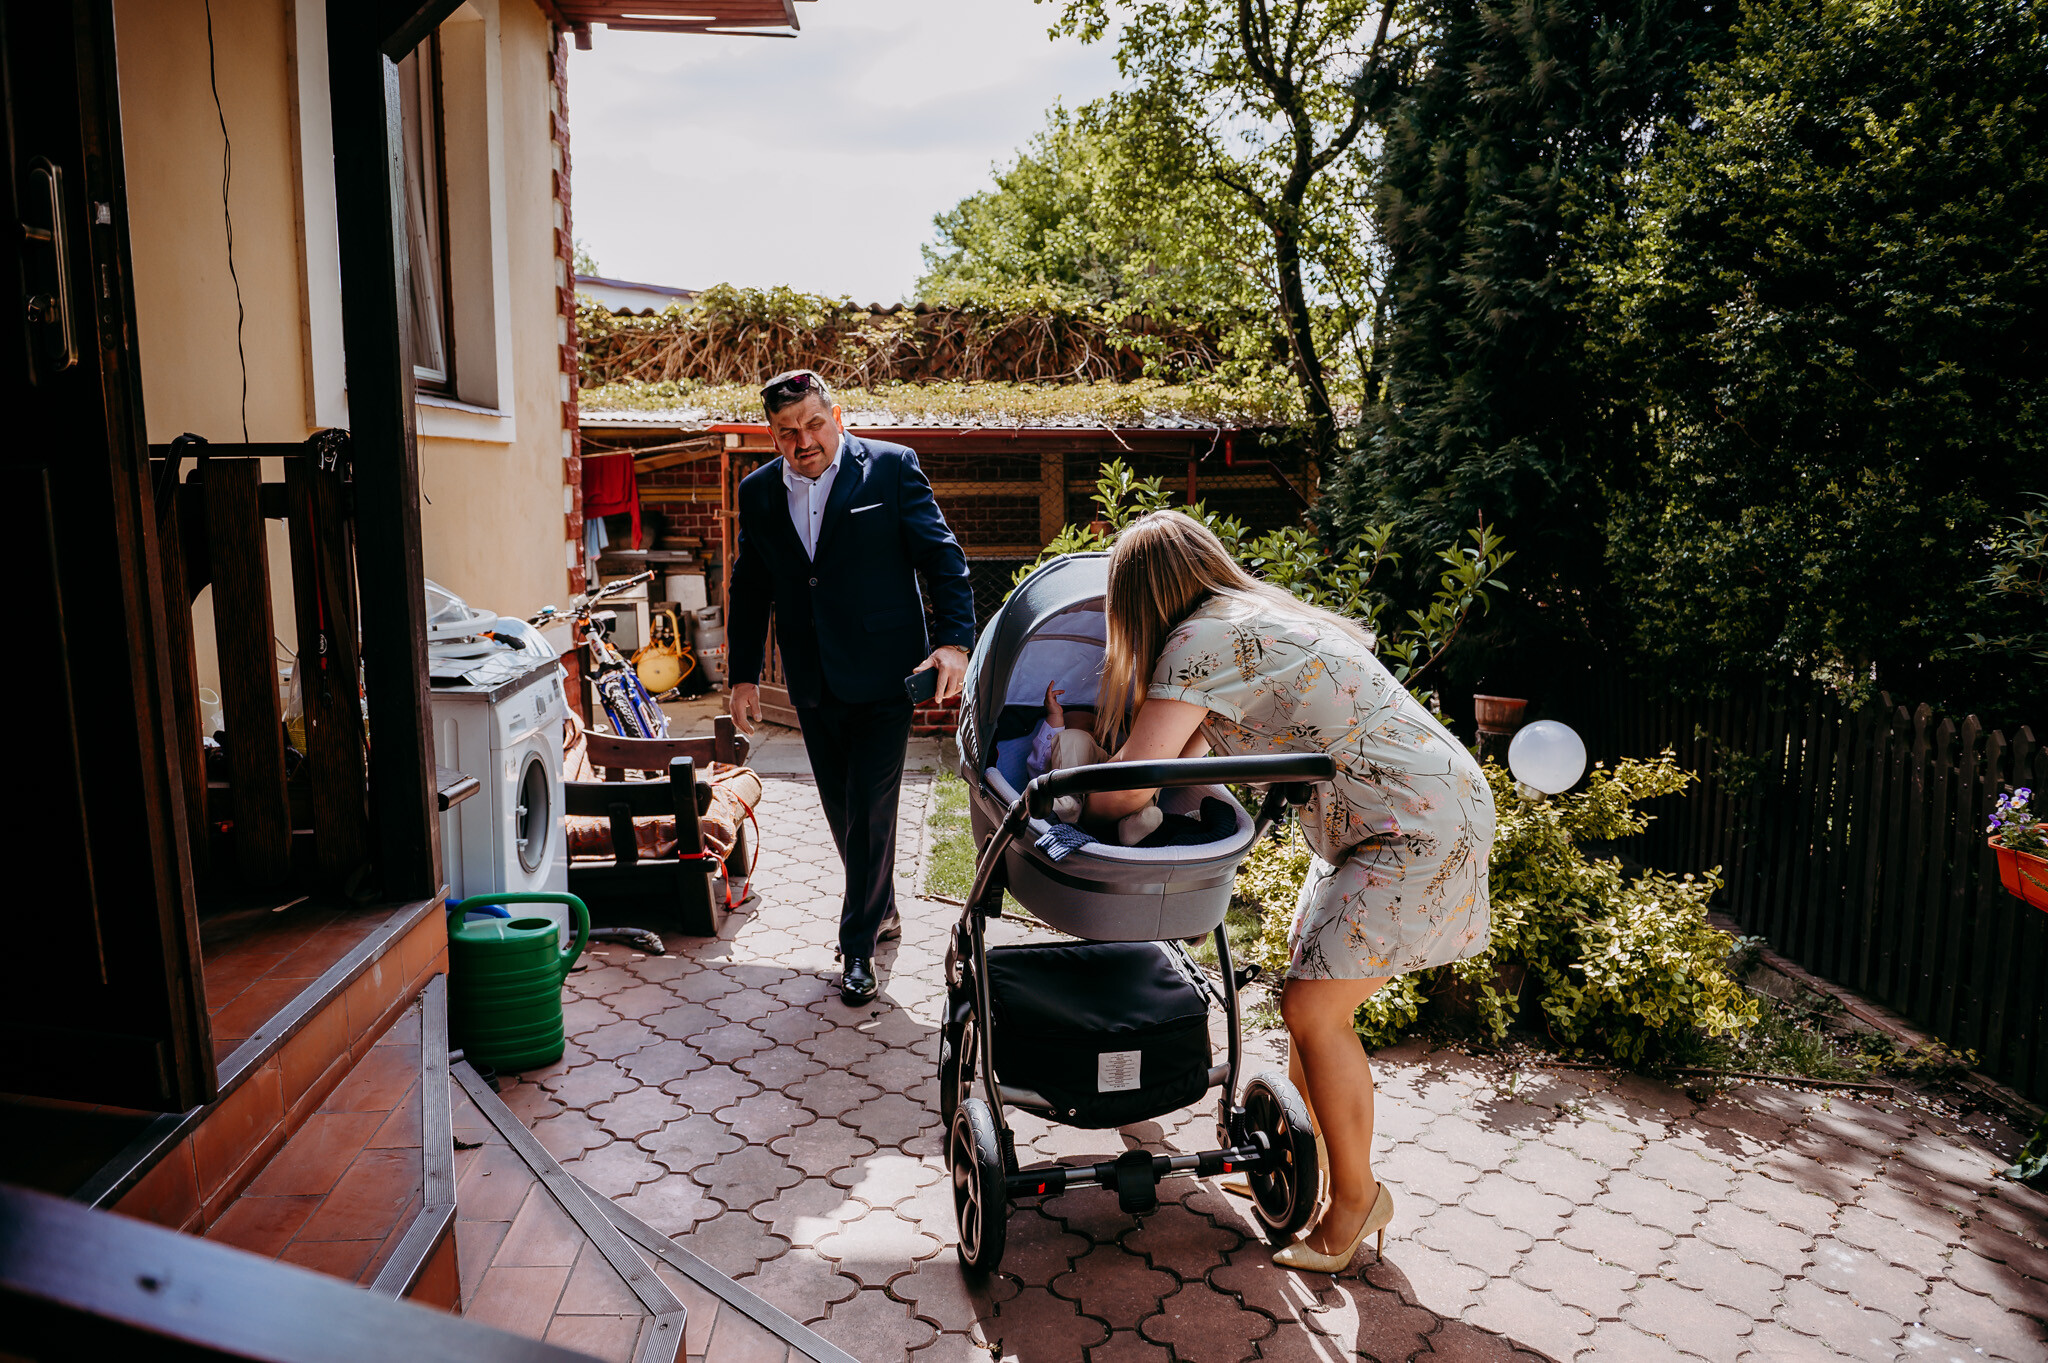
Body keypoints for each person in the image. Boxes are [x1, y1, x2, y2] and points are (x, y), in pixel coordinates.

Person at [1082, 510, 1495, 1273]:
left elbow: (1127, 789)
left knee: (1314, 1007)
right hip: (1398, 812)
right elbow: (1180, 759)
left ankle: (1356, 1202)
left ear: (1136, 598)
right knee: (1308, 996)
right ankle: (1311, 1169)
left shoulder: (1195, 642)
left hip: (1412, 824)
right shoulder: (1243, 619)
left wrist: (1066, 770)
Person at [726, 370, 975, 1005]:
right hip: (812, 676)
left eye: (814, 424)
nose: (804, 440)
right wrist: (743, 676)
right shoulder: (758, 491)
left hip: (887, 672)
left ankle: (857, 944)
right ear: (772, 435)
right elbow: (751, 586)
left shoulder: (890, 468)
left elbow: (941, 558)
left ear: (836, 417)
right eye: (788, 432)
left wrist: (953, 641)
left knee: (871, 806)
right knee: (842, 810)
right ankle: (881, 907)